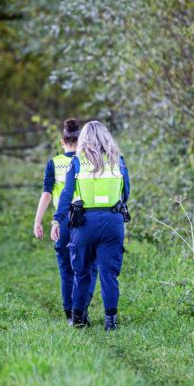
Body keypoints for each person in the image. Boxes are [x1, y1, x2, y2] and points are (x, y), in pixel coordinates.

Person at [52, 121, 130, 331]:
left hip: (84, 223)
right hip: (112, 222)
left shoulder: (77, 163)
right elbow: (126, 193)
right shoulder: (119, 162)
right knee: (109, 274)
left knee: (82, 272)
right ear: (107, 137)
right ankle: (110, 322)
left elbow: (66, 194)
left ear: (83, 138)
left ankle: (78, 319)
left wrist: (57, 220)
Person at [33, 119, 97, 325]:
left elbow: (46, 194)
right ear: (81, 142)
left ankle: (69, 312)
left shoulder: (54, 163)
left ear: (63, 141)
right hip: (86, 220)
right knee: (87, 267)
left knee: (66, 270)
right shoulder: (90, 161)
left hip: (62, 222)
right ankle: (81, 310)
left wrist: (38, 222)